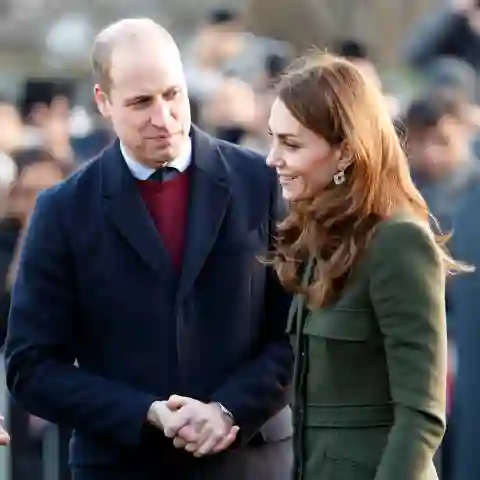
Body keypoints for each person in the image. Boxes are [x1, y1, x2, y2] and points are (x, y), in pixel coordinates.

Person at [4, 18, 293, 480]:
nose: (163, 118)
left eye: (173, 95)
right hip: (121, 465)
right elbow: (30, 367)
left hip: (249, 462)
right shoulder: (63, 211)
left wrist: (228, 409)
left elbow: (298, 331)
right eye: (141, 103)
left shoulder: (261, 183)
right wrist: (145, 412)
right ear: (103, 102)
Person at [265, 52, 468, 480]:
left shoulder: (398, 242)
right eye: (273, 139)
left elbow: (421, 416)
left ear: (344, 154)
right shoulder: (318, 237)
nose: (272, 158)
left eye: (291, 143)